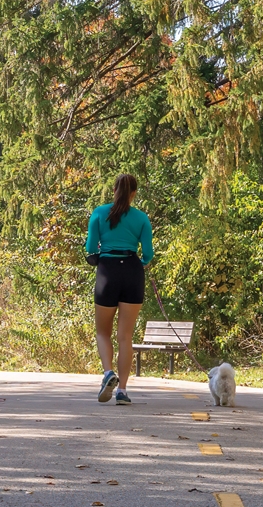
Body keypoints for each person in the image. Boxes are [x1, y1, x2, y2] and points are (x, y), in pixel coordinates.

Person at [84, 173, 153, 405]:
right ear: (133, 193)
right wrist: (138, 265)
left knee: (103, 331)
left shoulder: (99, 213)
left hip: (108, 272)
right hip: (133, 272)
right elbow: (148, 254)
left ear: (114, 190)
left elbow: (91, 248)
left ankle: (107, 373)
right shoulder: (142, 218)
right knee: (125, 337)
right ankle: (122, 390)